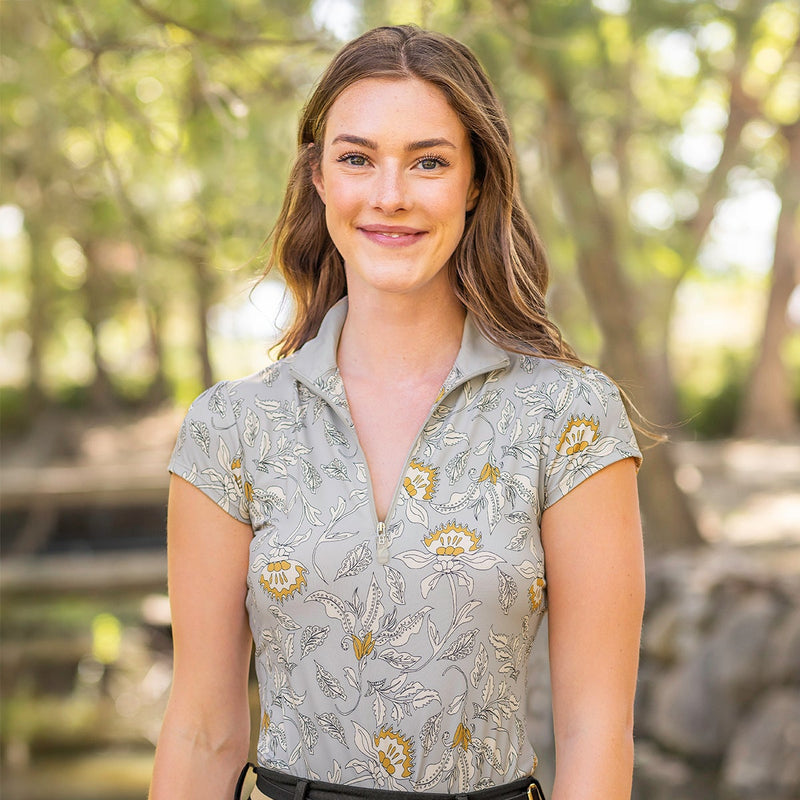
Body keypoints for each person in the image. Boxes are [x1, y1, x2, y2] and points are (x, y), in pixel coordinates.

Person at [149, 24, 645, 800]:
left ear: (476, 181)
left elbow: (596, 731)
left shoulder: (571, 417)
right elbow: (201, 728)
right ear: (318, 178)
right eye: (357, 158)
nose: (390, 195)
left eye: (429, 162)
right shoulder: (232, 428)